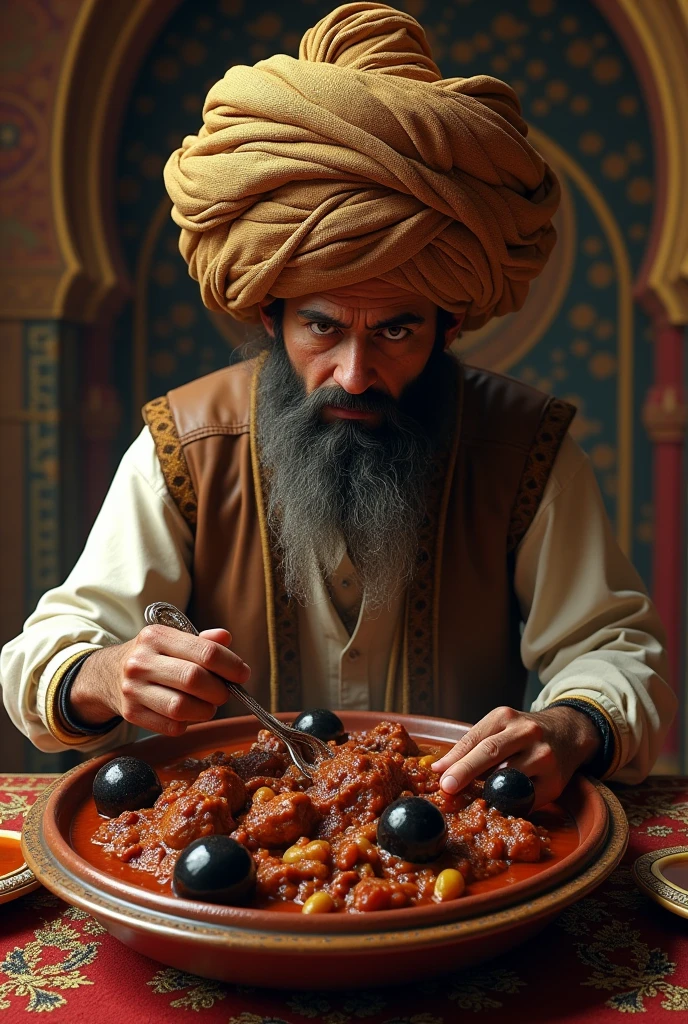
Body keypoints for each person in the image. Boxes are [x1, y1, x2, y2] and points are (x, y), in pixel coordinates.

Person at [0, 2, 675, 808]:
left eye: (396, 328)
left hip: (458, 840)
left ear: (448, 323)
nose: (355, 373)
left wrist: (569, 727)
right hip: (225, 851)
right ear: (269, 314)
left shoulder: (526, 448)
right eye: (322, 325)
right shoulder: (184, 444)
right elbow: (38, 656)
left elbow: (616, 649)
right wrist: (104, 673)